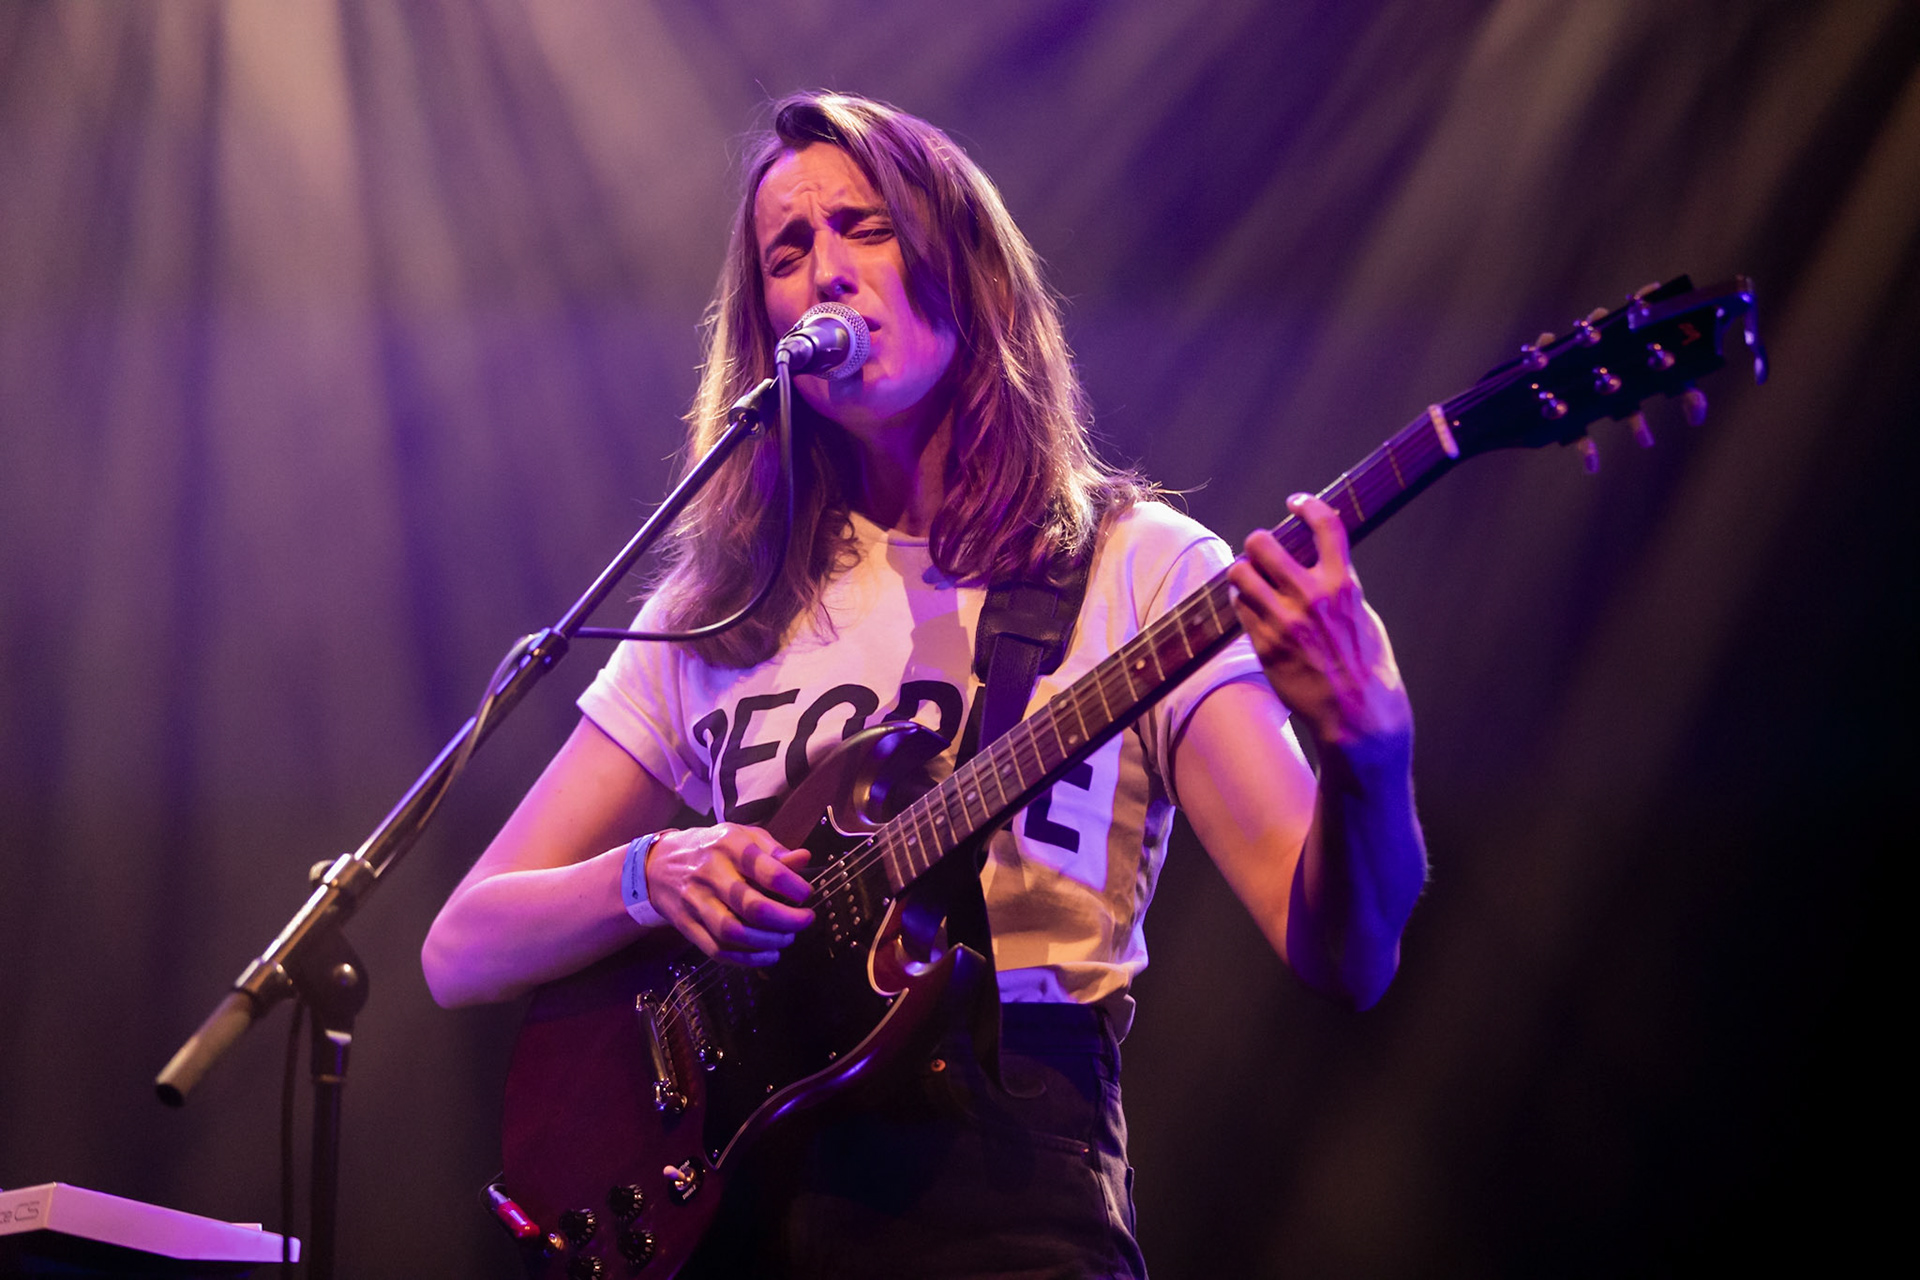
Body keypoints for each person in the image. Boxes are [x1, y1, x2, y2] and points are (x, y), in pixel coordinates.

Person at [422, 91, 1426, 1278]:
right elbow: (460, 947)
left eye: (865, 226)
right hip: (742, 1220)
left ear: (963, 264)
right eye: (786, 252)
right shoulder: (718, 609)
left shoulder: (1138, 566)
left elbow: (1348, 955)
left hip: (1008, 1208)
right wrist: (651, 873)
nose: (824, 273)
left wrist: (1372, 749)